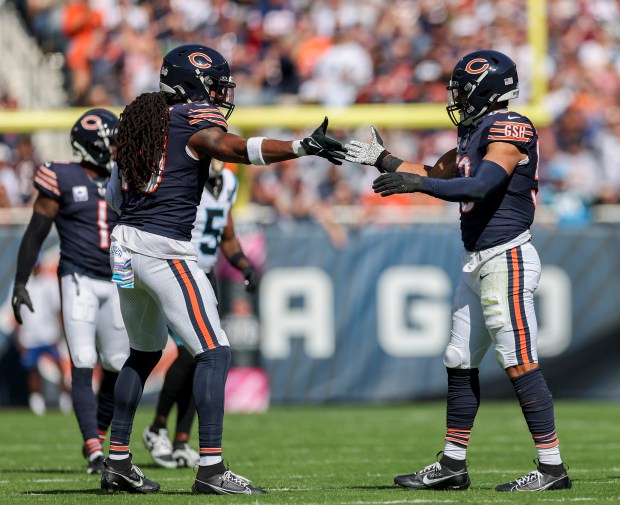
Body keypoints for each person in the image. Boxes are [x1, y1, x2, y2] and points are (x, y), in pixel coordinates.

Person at [102, 43, 344, 495]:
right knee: (214, 352)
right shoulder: (193, 120)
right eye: (214, 85)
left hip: (124, 245)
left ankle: (116, 460)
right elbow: (228, 145)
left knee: (143, 352)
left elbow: (114, 196)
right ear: (192, 85)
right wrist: (299, 146)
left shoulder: (143, 123)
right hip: (163, 247)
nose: (220, 94)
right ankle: (211, 468)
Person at [345, 49, 572, 493]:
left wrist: (418, 185)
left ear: (487, 91)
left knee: (518, 362)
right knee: (459, 358)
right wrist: (378, 158)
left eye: (463, 92)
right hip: (478, 261)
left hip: (506, 256)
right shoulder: (475, 133)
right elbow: (433, 172)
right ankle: (452, 465)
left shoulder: (511, 127)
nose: (457, 100)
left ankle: (552, 468)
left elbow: (480, 185)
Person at [11, 108, 130, 475]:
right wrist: (20, 281)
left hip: (116, 280)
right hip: (77, 278)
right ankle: (96, 452)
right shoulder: (61, 175)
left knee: (116, 364)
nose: (115, 148)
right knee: (80, 359)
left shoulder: (124, 178)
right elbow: (35, 232)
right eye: (110, 141)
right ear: (92, 144)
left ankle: (96, 434)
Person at [141, 160, 258, 469]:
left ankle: (180, 439)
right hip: (179, 270)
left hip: (206, 275)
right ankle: (157, 428)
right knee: (192, 354)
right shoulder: (184, 177)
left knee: (201, 357)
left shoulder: (228, 184)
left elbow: (227, 235)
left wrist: (244, 264)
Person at [16, 259, 72, 416]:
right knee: (32, 370)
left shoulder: (49, 283)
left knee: (60, 367)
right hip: (30, 336)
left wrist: (61, 332)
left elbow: (57, 309)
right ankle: (37, 401)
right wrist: (20, 336)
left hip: (49, 333)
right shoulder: (23, 285)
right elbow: (18, 314)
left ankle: (65, 399)